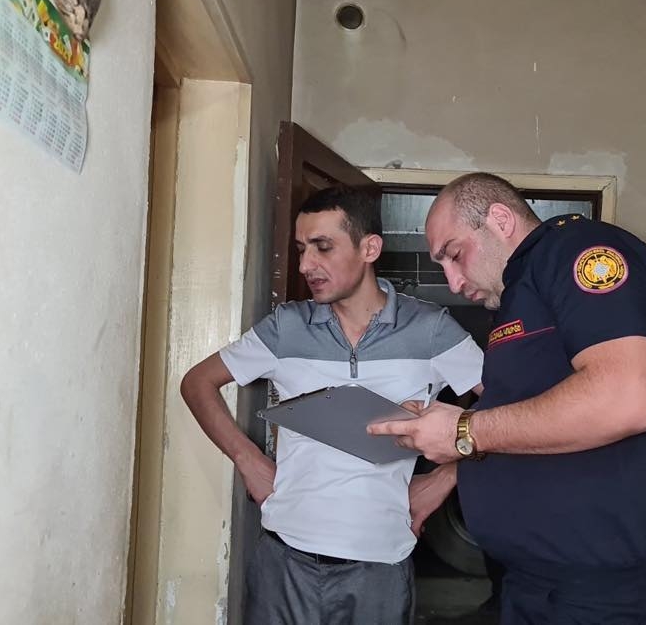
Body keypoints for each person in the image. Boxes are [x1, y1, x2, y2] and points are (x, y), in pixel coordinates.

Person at [369, 173, 646, 623]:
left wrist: (462, 431)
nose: (453, 282)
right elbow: (530, 417)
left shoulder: (578, 249)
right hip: (530, 581)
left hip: (603, 590)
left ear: (500, 220)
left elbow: (627, 398)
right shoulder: (518, 294)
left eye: (455, 255)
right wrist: (448, 473)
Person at [181, 185, 483, 624]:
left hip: (380, 564)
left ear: (369, 248)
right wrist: (247, 459)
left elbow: (510, 408)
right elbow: (197, 383)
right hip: (284, 560)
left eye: (322, 247)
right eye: (301, 249)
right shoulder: (286, 327)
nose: (306, 265)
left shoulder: (432, 329)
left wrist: (447, 477)